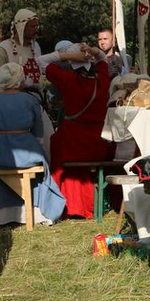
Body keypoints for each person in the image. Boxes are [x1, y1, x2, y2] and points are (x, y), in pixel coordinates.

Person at [0, 63, 64, 226]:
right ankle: (38, 212)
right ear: (19, 80)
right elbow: (38, 132)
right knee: (42, 165)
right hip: (27, 151)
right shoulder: (30, 100)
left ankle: (0, 215)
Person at [46, 41, 112, 219]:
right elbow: (103, 58)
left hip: (72, 143)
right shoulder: (102, 80)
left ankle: (64, 204)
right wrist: (93, 52)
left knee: (56, 143)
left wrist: (67, 56)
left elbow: (41, 62)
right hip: (97, 145)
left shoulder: (67, 80)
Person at [0, 9, 53, 157]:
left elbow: (38, 75)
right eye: (32, 26)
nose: (36, 30)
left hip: (36, 101)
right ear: (21, 26)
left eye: (37, 26)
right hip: (13, 104)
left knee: (47, 140)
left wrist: (45, 98)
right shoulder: (3, 49)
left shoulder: (36, 47)